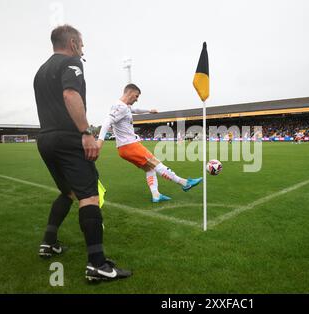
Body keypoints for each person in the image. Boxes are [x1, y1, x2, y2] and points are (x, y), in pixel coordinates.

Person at [33, 25, 130, 281]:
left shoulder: (40, 71)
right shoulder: (72, 61)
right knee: (89, 197)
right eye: (82, 44)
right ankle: (97, 265)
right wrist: (86, 132)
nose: (83, 49)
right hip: (68, 137)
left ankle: (48, 242)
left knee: (68, 192)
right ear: (74, 43)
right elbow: (70, 94)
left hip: (45, 138)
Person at [97, 84, 202, 203]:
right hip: (130, 145)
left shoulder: (124, 106)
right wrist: (100, 141)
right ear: (130, 93)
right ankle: (184, 183)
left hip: (124, 149)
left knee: (149, 169)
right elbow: (107, 121)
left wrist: (149, 111)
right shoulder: (121, 106)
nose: (137, 99)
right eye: (136, 96)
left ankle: (156, 195)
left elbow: (135, 110)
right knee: (156, 163)